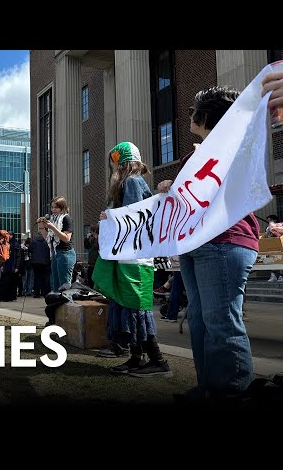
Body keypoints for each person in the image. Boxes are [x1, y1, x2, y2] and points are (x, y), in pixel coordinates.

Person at [157, 86, 256, 400]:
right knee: (199, 320)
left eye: (191, 111)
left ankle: (232, 393)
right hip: (198, 245)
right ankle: (208, 388)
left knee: (221, 320)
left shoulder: (233, 146)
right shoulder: (198, 152)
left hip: (224, 242)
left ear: (204, 116)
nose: (189, 116)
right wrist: (170, 189)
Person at [97, 142, 172, 377]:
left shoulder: (130, 182)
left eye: (115, 164)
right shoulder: (135, 182)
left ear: (121, 163)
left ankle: (157, 360)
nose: (113, 170)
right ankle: (137, 358)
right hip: (134, 256)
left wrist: (110, 218)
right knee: (132, 306)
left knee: (135, 307)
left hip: (134, 258)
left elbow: (132, 217)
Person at [39, 197, 75, 292]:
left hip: (65, 253)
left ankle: (65, 306)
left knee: (64, 285)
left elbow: (67, 238)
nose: (53, 210)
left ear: (62, 208)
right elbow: (48, 239)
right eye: (52, 207)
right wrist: (41, 227)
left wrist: (53, 227)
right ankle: (57, 305)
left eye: (56, 207)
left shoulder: (66, 218)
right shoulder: (52, 219)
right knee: (55, 285)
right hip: (55, 253)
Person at [265, 215, 283, 282]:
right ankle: (273, 276)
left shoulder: (280, 225)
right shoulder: (268, 228)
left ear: (275, 220)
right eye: (268, 220)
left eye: (270, 220)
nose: (269, 221)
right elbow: (266, 235)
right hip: (270, 246)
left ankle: (281, 276)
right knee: (271, 261)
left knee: (280, 260)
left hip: (279, 245)